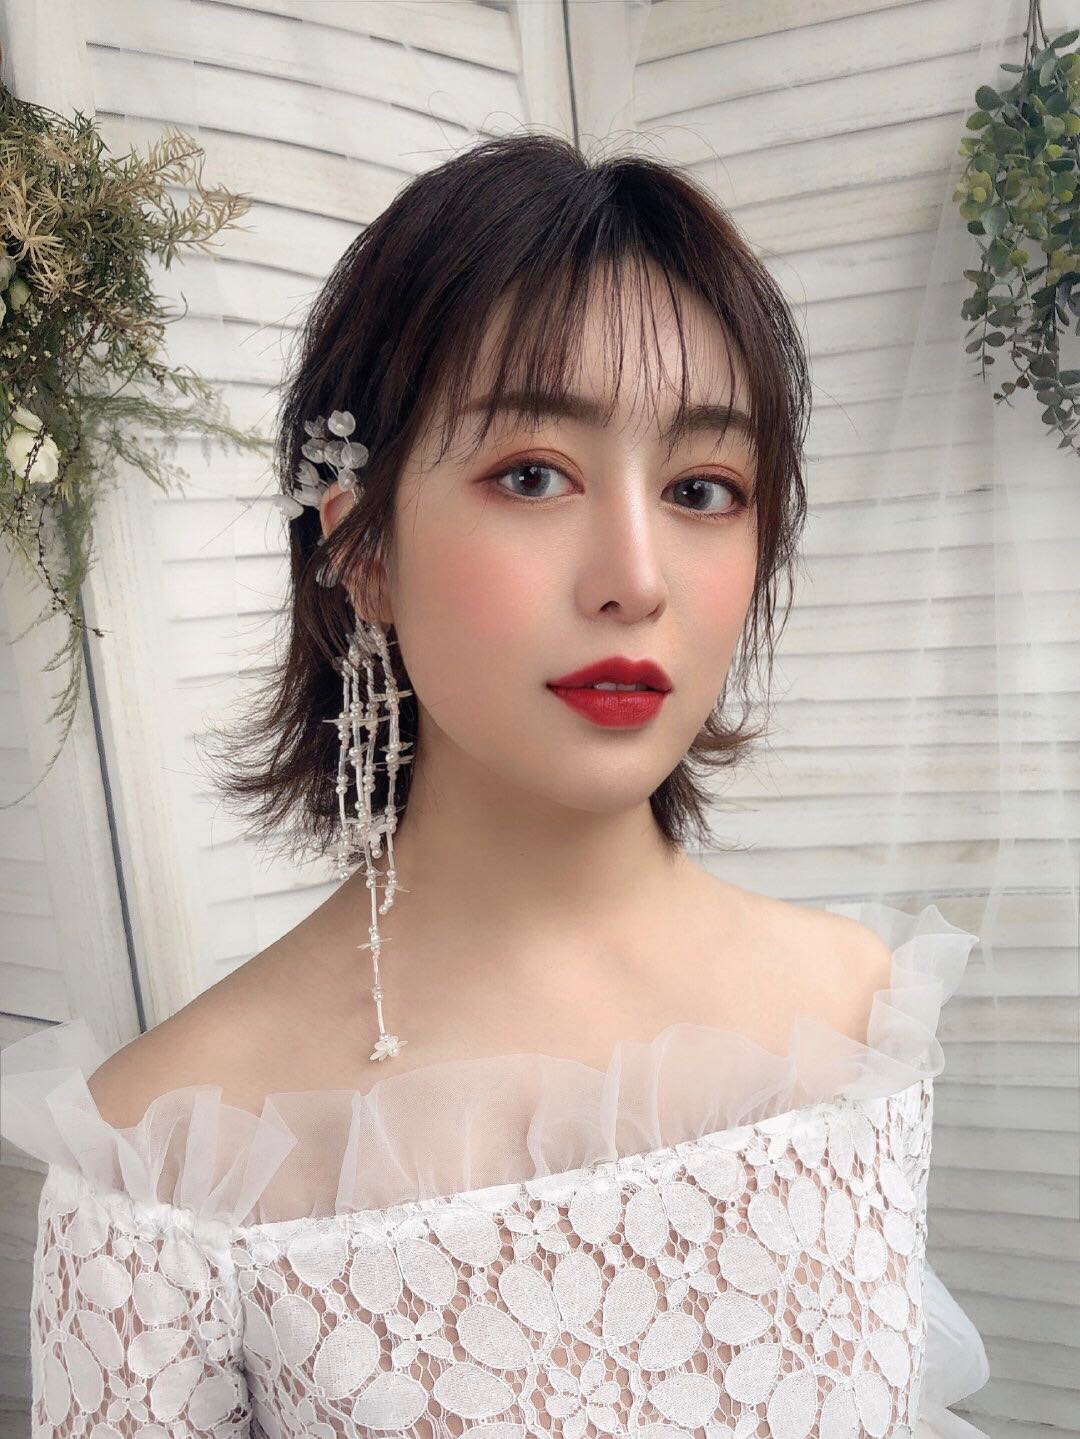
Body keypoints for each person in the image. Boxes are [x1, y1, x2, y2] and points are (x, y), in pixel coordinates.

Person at [0, 132, 986, 1438]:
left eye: (703, 488)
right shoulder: (165, 1163)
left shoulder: (857, 1014)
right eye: (532, 475)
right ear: (361, 548)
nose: (635, 577)